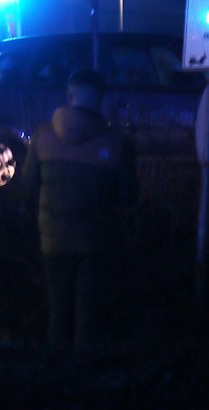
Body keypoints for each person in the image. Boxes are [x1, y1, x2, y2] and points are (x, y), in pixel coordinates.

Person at [14, 67, 139, 354]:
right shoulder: (117, 144)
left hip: (52, 238)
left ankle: (56, 366)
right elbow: (128, 197)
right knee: (89, 314)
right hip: (97, 240)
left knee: (58, 310)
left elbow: (29, 186)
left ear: (70, 96)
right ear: (101, 99)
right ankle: (85, 368)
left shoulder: (43, 136)